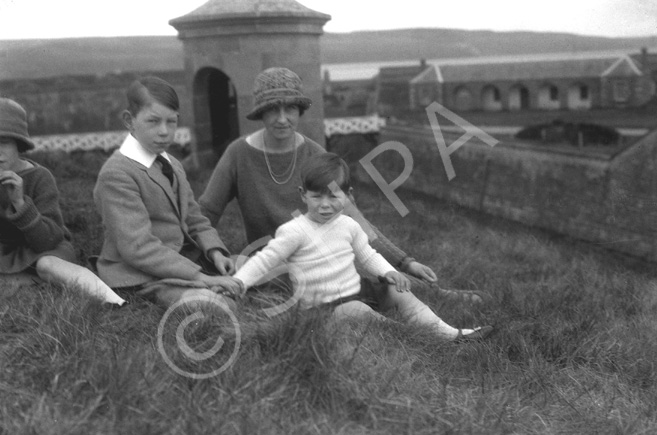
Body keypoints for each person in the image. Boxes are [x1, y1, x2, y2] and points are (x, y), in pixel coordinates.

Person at [199, 67, 483, 315]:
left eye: (291, 109)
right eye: (273, 109)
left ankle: (433, 293)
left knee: (369, 270)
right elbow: (205, 214)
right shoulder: (238, 154)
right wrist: (213, 251)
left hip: (325, 254)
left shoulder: (315, 153)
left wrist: (405, 261)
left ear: (300, 110)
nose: (282, 118)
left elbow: (355, 219)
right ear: (260, 112)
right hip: (274, 265)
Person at [232, 153, 492, 341]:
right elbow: (265, 260)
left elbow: (368, 255)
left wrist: (389, 271)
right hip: (320, 307)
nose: (325, 205)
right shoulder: (293, 231)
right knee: (357, 312)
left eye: (333, 196)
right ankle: (413, 335)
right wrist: (239, 282)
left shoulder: (348, 225)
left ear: (347, 196)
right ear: (302, 195)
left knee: (398, 292)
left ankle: (450, 333)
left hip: (355, 288)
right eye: (316, 197)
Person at [93, 77, 241, 307]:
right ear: (129, 121)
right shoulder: (117, 174)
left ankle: (217, 282)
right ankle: (204, 293)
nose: (164, 132)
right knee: (219, 304)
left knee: (263, 267)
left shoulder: (171, 163)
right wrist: (200, 277)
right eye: (153, 121)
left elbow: (195, 219)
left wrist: (215, 252)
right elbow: (138, 248)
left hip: (185, 260)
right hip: (144, 275)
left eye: (171, 122)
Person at [0, 98, 126, 306]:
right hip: (6, 255)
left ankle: (112, 300)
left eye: (3, 142)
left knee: (48, 266)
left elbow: (46, 240)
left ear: (19, 144)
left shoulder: (40, 177)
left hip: (44, 249)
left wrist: (20, 202)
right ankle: (41, 285)